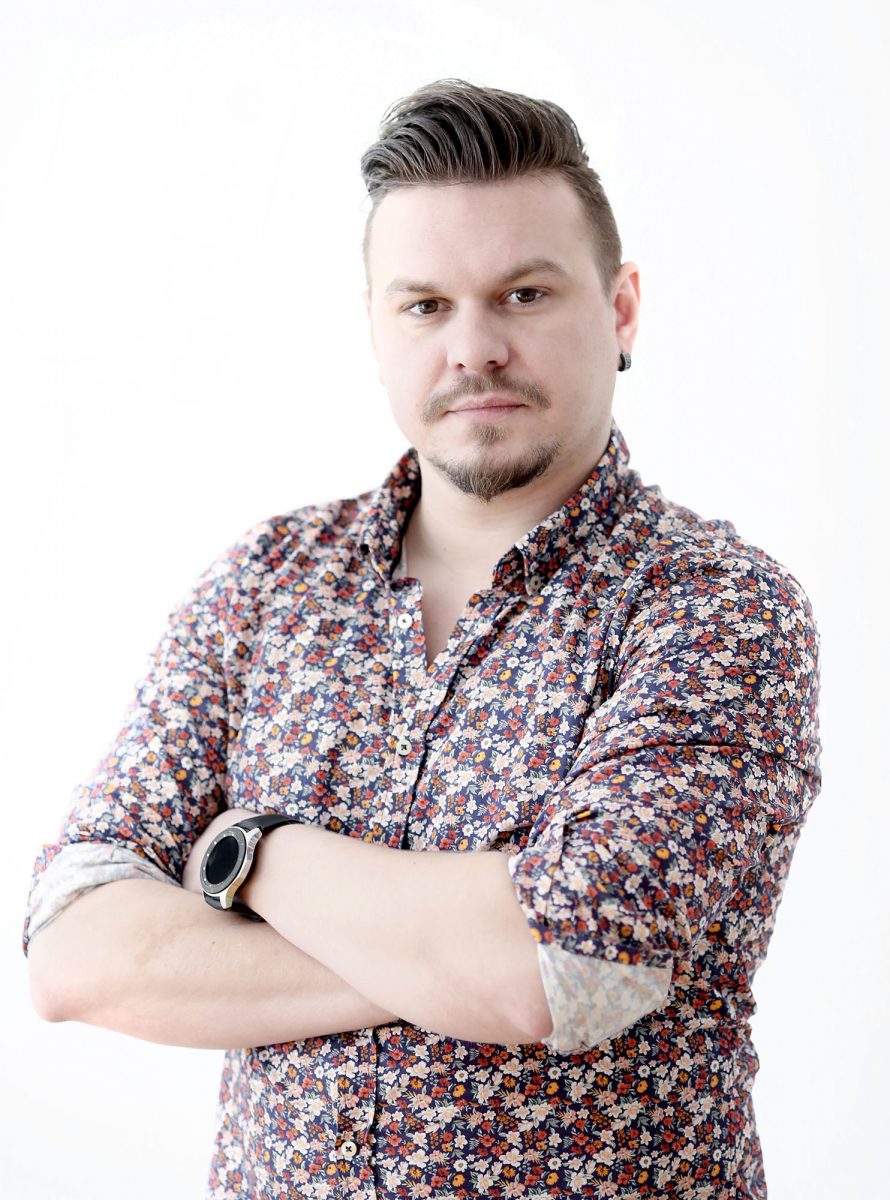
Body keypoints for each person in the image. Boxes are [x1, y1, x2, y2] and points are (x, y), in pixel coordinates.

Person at [24, 79, 821, 1198]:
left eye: (523, 294)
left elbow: (558, 971)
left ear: (621, 308)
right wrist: (453, 955)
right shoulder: (270, 583)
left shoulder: (716, 607)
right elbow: (73, 948)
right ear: (375, 326)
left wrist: (249, 853)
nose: (474, 348)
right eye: (425, 305)